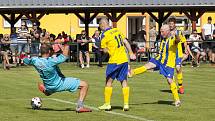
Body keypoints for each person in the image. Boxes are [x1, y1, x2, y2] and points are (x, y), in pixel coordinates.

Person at [23, 44, 92, 113]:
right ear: (49, 51)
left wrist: (24, 55)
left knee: (50, 90)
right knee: (84, 85)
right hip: (59, 84)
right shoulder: (51, 61)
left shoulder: (35, 60)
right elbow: (64, 56)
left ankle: (46, 91)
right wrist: (67, 44)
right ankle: (80, 107)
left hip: (49, 85)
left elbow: (25, 60)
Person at [129, 25, 181, 107]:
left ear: (168, 31)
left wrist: (176, 35)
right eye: (160, 31)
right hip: (159, 58)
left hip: (168, 63)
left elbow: (178, 40)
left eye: (162, 31)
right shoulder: (163, 38)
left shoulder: (172, 38)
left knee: (169, 80)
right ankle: (132, 72)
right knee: (147, 65)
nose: (161, 33)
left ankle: (177, 100)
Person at [98, 18, 136, 111]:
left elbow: (105, 50)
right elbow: (126, 42)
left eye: (100, 27)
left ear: (102, 25)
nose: (100, 29)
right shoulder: (117, 30)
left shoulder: (104, 34)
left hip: (114, 61)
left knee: (108, 81)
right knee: (124, 81)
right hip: (124, 59)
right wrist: (131, 53)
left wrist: (104, 50)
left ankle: (107, 104)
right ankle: (126, 104)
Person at [168, 17, 190, 94]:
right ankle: (173, 87)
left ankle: (180, 87)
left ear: (174, 24)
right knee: (170, 72)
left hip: (178, 54)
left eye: (172, 24)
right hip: (169, 55)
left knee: (178, 68)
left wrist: (186, 50)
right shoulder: (167, 33)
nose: (170, 25)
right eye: (169, 24)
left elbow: (184, 41)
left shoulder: (179, 32)